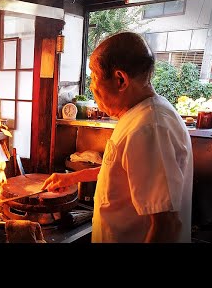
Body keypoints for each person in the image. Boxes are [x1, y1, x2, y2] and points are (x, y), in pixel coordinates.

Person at [43, 32, 193, 243]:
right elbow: (123, 170)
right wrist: (72, 178)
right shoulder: (141, 114)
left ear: (120, 79)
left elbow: (166, 226)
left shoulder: (149, 127)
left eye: (94, 76)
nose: (92, 86)